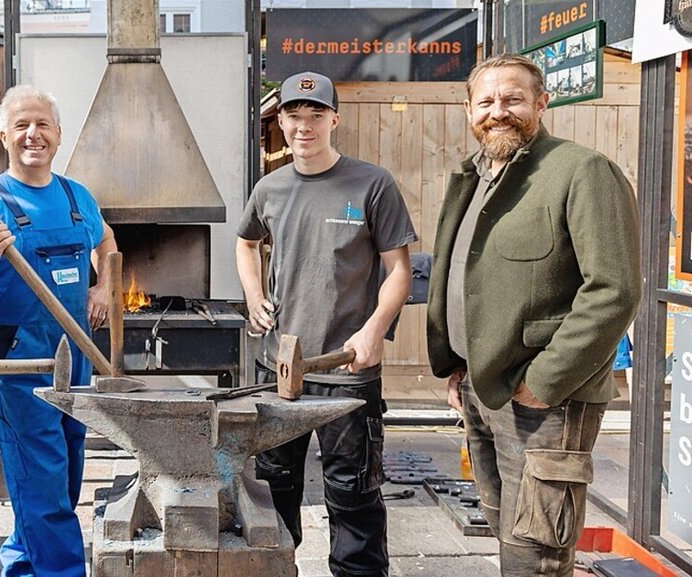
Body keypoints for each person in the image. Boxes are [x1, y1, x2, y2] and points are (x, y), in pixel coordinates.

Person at [426, 54, 640, 577]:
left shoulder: (581, 171)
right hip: (483, 387)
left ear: (542, 103)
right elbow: (471, 281)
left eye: (514, 98)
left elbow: (613, 290)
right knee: (507, 532)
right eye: (487, 101)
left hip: (547, 400)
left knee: (536, 555)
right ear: (468, 110)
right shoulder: (474, 177)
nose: (499, 111)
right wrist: (459, 363)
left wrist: (546, 380)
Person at [236, 71, 415, 577]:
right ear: (282, 122)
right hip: (278, 373)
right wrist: (254, 294)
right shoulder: (269, 188)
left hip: (347, 372)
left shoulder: (371, 183)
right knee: (273, 496)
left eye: (316, 115)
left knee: (353, 497)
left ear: (335, 119)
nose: (304, 126)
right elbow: (245, 242)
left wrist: (375, 328)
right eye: (294, 116)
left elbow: (399, 270)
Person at [0, 84, 117, 577]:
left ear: (59, 134)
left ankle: (21, 567)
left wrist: (103, 286)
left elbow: (105, 240)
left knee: (65, 475)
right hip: (24, 363)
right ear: (2, 135)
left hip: (77, 355)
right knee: (41, 483)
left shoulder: (75, 195)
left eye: (42, 124)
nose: (32, 134)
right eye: (21, 125)